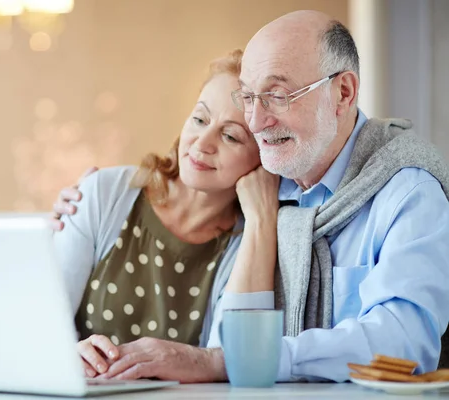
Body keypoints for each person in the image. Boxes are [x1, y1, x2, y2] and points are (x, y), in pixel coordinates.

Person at [53, 10, 449, 383]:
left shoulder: (408, 192)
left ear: (343, 93)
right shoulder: (272, 187)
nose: (257, 122)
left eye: (278, 96)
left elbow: (405, 343)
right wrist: (63, 216)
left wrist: (247, 358)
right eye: (248, 97)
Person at [52, 49, 281, 383]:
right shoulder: (106, 193)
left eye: (231, 136)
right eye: (200, 119)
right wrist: (65, 353)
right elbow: (40, 326)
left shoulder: (250, 239)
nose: (201, 144)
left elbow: (241, 361)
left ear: (263, 157)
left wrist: (262, 221)